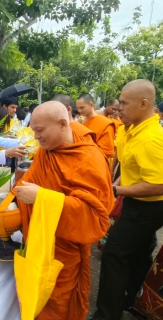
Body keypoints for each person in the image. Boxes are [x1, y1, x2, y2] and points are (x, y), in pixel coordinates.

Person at [14, 101, 113, 320]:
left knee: (59, 307)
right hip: (39, 243)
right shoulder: (46, 152)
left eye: (40, 131)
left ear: (62, 124)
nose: (36, 137)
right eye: (34, 131)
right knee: (36, 302)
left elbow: (96, 216)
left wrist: (42, 197)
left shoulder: (88, 157)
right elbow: (27, 184)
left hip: (65, 250)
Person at [92, 80, 163, 320]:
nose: (118, 107)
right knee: (139, 251)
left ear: (144, 104)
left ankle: (106, 314)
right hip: (137, 198)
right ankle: (130, 296)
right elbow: (131, 166)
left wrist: (116, 192)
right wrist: (118, 181)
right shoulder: (129, 128)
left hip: (151, 205)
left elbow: (158, 184)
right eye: (119, 102)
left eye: (124, 103)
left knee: (114, 253)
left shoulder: (151, 138)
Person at [76, 93, 116, 159]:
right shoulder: (79, 122)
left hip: (96, 161)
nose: (79, 111)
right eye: (77, 108)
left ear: (91, 105)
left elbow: (105, 152)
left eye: (82, 107)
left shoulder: (105, 123)